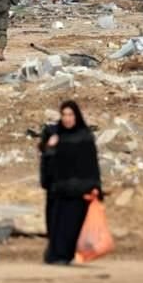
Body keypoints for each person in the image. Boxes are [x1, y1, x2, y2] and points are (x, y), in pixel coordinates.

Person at [38, 101, 101, 265]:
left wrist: (95, 187)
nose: (67, 119)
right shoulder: (56, 136)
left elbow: (91, 164)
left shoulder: (85, 136)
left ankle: (67, 256)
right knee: (56, 225)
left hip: (80, 191)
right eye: (64, 115)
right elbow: (48, 163)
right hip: (60, 190)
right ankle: (55, 256)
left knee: (72, 226)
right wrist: (50, 148)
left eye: (70, 115)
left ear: (76, 116)